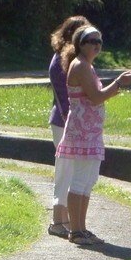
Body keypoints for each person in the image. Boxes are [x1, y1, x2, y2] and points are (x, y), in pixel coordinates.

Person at [55, 26, 131, 246]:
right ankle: (76, 231)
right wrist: (119, 82)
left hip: (89, 132)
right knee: (80, 180)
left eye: (100, 41)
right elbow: (96, 97)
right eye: (92, 41)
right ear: (80, 44)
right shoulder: (80, 65)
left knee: (88, 181)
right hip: (82, 132)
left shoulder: (87, 66)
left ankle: (81, 228)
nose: (97, 45)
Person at [47, 15, 90, 238]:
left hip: (69, 123)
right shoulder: (61, 60)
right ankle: (57, 221)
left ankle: (64, 220)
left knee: (70, 170)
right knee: (65, 170)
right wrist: (73, 124)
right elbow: (65, 98)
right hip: (64, 123)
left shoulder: (69, 59)